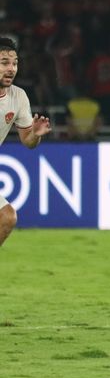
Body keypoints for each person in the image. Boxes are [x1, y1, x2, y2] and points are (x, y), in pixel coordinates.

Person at [0, 37, 52, 246]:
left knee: (7, 217)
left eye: (15, 63)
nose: (11, 68)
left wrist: (35, 134)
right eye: (4, 63)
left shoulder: (18, 97)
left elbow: (28, 142)